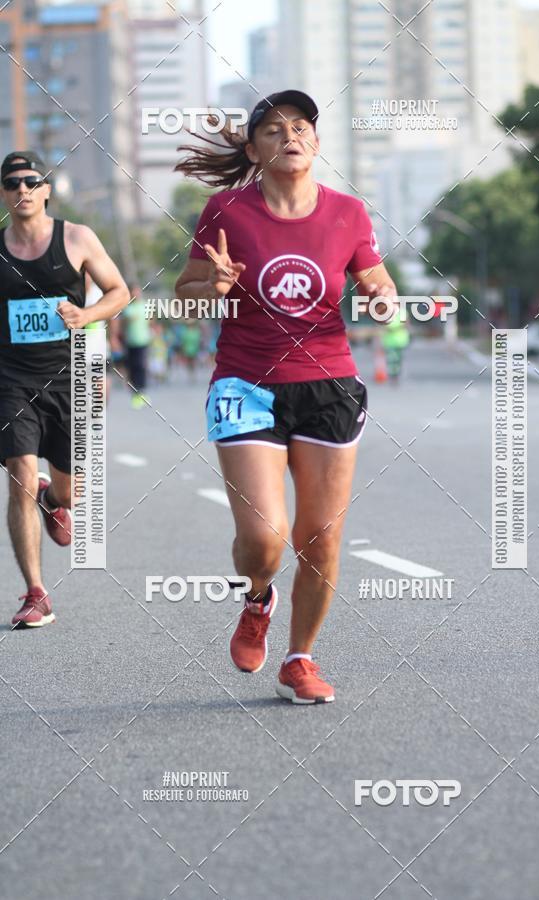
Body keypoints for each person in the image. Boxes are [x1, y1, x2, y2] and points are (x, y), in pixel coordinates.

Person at [175, 90, 396, 704]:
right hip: (245, 383)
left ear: (317, 143)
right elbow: (187, 295)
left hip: (328, 382)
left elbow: (374, 277)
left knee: (321, 537)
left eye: (301, 127)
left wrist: (381, 294)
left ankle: (300, 658)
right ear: (254, 150)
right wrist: (211, 286)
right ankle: (257, 596)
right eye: (273, 130)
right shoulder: (226, 210)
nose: (290, 136)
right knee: (264, 541)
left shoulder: (349, 212)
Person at [0, 151, 129, 627]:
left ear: (47, 189)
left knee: (70, 493)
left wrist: (87, 314)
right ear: (3, 193)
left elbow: (119, 291)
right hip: (11, 380)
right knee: (17, 473)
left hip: (68, 379)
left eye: (31, 181)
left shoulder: (76, 238)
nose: (23, 190)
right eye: (12, 183)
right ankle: (36, 592)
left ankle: (52, 500)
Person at [120, 286, 151, 409]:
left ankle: (141, 389)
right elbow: (122, 324)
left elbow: (151, 320)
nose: (136, 294)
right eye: (134, 292)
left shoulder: (145, 306)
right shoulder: (127, 308)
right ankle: (135, 390)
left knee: (141, 365)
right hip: (130, 341)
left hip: (143, 340)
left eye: (138, 292)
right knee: (132, 366)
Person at [380, 310, 410, 384]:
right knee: (392, 360)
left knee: (398, 359)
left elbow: (406, 324)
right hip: (390, 341)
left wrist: (394, 328)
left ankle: (397, 375)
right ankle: (393, 376)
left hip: (400, 340)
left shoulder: (402, 312)